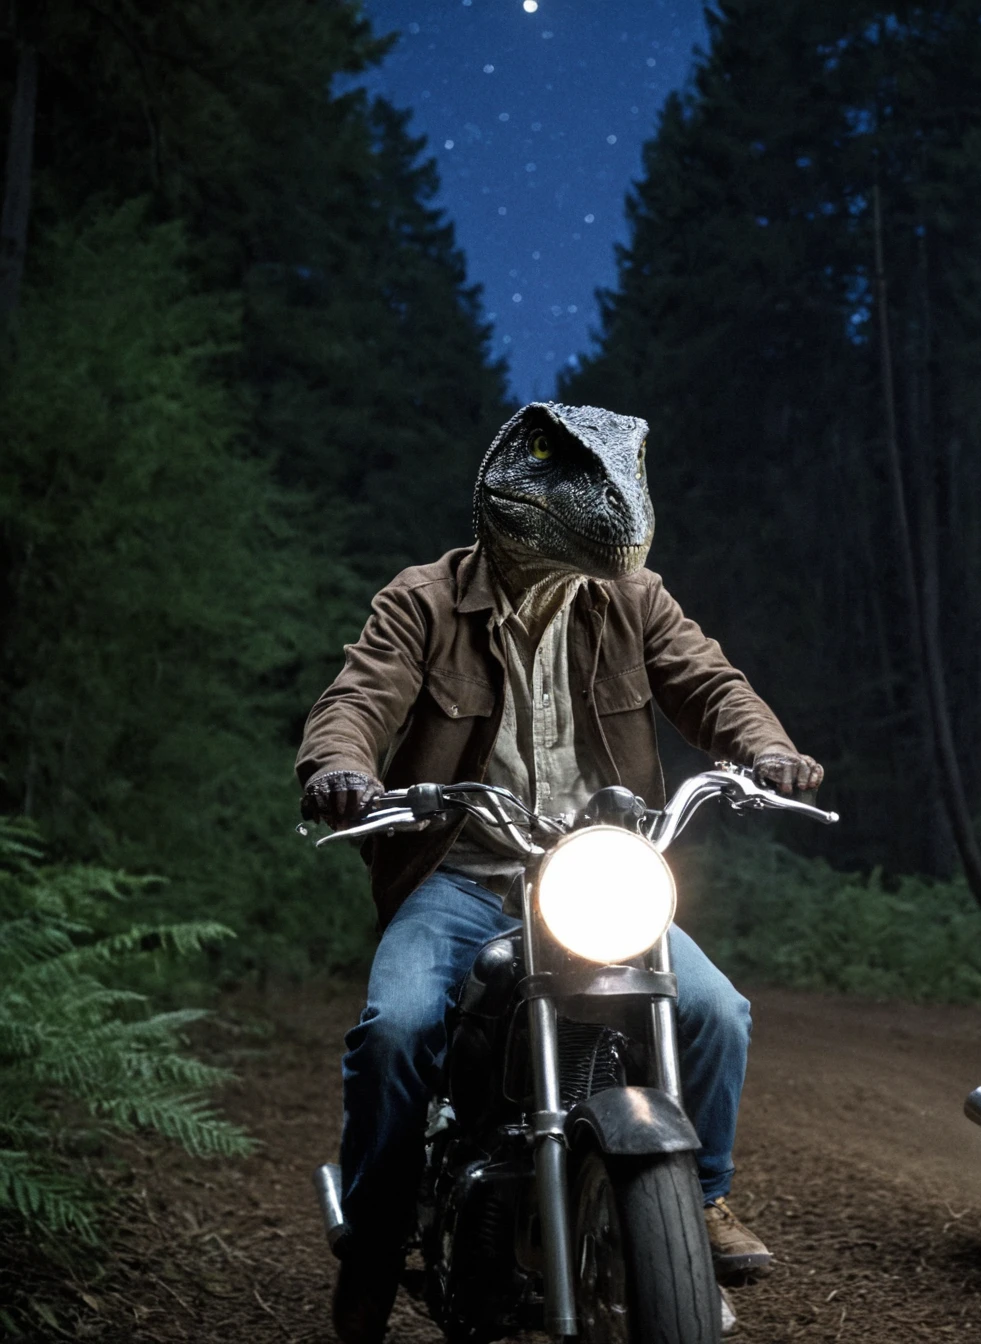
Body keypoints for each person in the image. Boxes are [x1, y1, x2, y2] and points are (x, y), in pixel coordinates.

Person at [297, 401, 823, 1344]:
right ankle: (376, 1244)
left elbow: (709, 683)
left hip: (592, 871)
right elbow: (360, 695)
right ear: (512, 506)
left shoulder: (634, 599)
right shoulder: (422, 600)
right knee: (396, 1030)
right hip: (461, 876)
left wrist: (767, 751)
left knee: (714, 1010)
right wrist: (343, 769)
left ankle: (694, 1203)